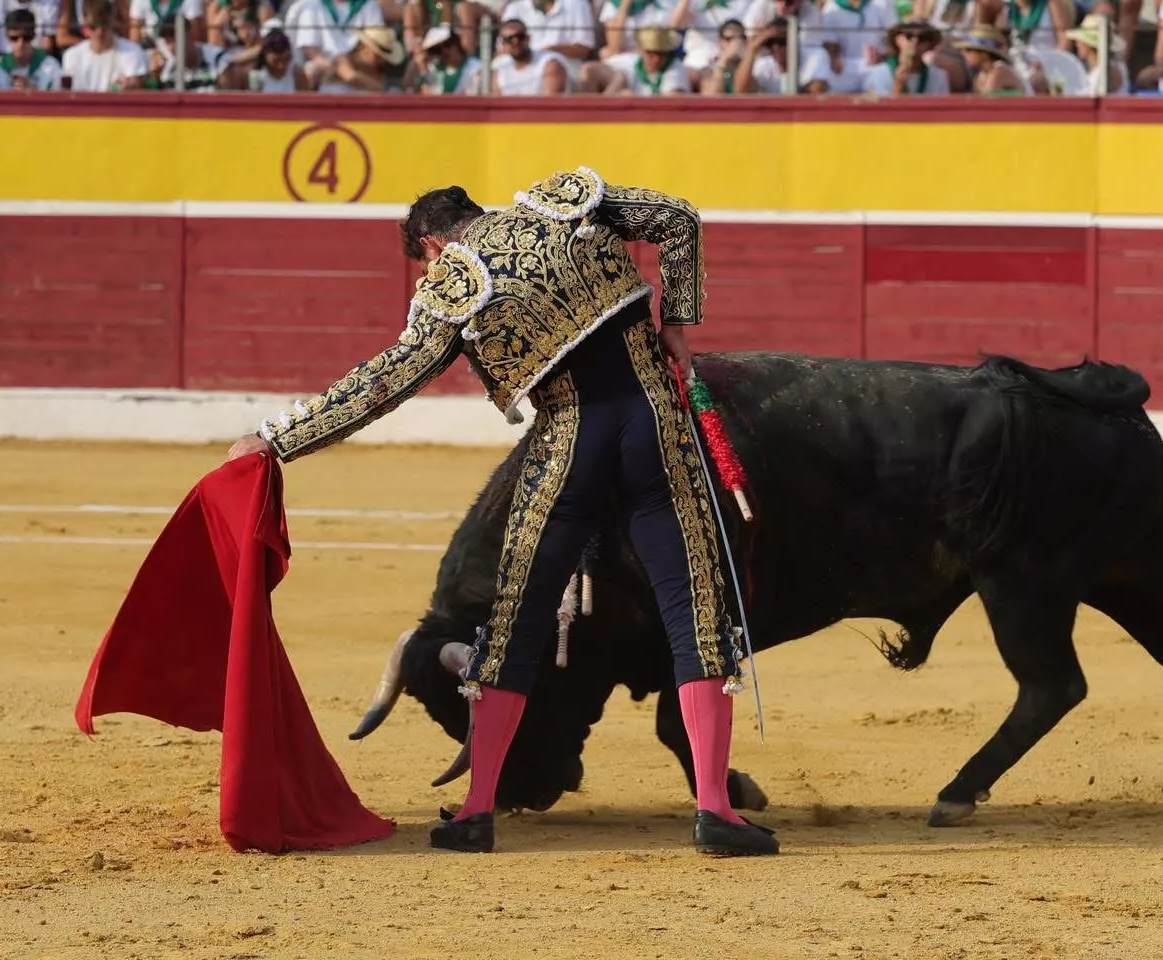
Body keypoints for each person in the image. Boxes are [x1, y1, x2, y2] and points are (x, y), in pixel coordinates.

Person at [224, 168, 778, 858]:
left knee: (514, 620)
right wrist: (679, 326)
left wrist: (276, 437)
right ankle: (716, 812)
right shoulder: (565, 206)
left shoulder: (453, 284)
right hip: (656, 435)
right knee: (693, 613)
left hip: (568, 449)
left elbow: (386, 382)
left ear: (430, 244)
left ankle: (478, 811)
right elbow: (679, 218)